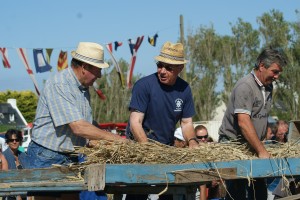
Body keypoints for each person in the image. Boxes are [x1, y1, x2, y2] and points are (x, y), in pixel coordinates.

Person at [27, 42, 127, 200]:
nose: (100, 75)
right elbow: (79, 127)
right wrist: (117, 139)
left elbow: (86, 126)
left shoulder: (82, 89)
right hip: (47, 155)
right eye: (98, 70)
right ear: (84, 67)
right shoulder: (60, 84)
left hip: (69, 156)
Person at [125, 41, 198, 200]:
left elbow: (186, 123)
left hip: (166, 150)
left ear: (180, 68)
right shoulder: (144, 86)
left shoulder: (184, 89)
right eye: (160, 65)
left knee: (170, 195)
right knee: (137, 195)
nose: (162, 71)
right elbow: (135, 123)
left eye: (168, 68)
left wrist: (192, 142)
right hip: (140, 150)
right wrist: (147, 151)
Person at [218, 47, 288, 200]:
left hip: (253, 144)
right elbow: (243, 122)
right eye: (275, 71)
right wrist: (262, 151)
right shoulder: (245, 86)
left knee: (259, 192)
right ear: (262, 66)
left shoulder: (268, 86)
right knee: (237, 192)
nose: (277, 76)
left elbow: (260, 117)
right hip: (234, 145)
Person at [3, 129, 30, 200]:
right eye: (11, 140)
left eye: (17, 140)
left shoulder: (23, 155)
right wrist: (17, 195)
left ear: (20, 141)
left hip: (25, 193)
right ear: (7, 142)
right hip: (10, 195)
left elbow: (29, 175)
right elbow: (5, 180)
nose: (14, 142)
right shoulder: (3, 156)